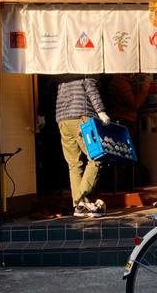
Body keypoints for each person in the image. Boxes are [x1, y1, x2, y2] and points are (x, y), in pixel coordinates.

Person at [47, 75, 111, 218]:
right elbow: (91, 89)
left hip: (62, 119)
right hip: (82, 117)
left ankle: (80, 207)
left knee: (74, 164)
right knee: (97, 157)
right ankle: (80, 197)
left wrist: (40, 113)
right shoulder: (85, 66)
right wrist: (101, 111)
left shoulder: (61, 69)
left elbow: (49, 89)